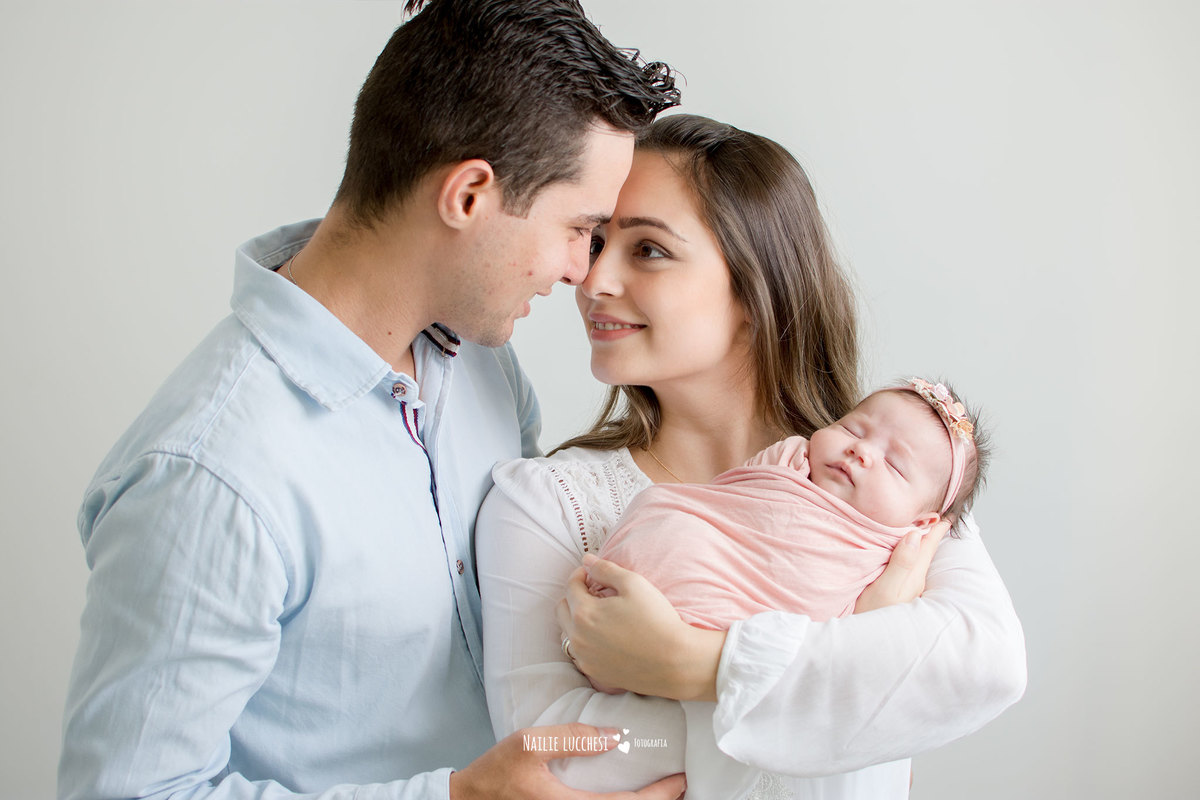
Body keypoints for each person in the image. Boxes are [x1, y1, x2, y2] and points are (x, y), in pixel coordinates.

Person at [58, 2, 684, 799]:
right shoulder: (209, 474)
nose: (579, 271)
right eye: (579, 228)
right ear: (468, 196)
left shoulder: (487, 370)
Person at [476, 115, 1026, 798]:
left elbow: (987, 668)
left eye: (647, 249)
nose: (592, 280)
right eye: (595, 240)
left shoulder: (895, 484)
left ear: (753, 287)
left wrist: (688, 665)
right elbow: (557, 752)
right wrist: (856, 674)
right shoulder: (546, 505)